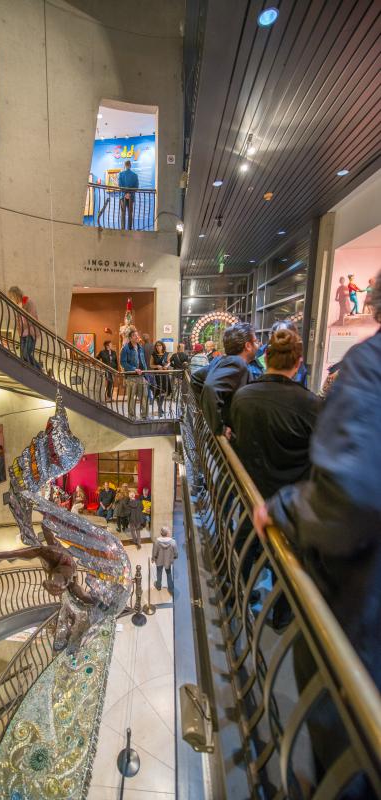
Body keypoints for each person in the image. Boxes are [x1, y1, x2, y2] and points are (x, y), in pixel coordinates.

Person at [254, 271, 381, 791]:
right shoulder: (313, 402)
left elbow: (347, 496)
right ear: (299, 361)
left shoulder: (369, 370)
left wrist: (284, 508)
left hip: (362, 611)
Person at [231, 329, 321, 629]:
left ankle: (236, 597)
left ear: (265, 357)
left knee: (243, 550)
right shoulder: (311, 405)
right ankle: (282, 618)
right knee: (290, 564)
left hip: (248, 494)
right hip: (289, 502)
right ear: (298, 364)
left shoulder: (244, 397)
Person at [201, 322, 258, 436]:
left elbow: (196, 378)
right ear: (248, 346)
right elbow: (210, 387)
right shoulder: (237, 363)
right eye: (256, 341)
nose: (258, 344)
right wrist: (218, 427)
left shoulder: (221, 360)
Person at [8, 285, 42, 370]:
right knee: (23, 356)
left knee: (26, 354)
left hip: (30, 332)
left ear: (16, 295)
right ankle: (30, 371)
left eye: (12, 297)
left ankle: (39, 370)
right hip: (23, 333)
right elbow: (19, 319)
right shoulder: (18, 305)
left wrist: (23, 327)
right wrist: (19, 330)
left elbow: (33, 317)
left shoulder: (28, 302)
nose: (11, 299)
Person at [120, 328, 149, 419]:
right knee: (131, 399)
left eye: (137, 335)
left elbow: (143, 361)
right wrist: (134, 369)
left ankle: (144, 416)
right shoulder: (125, 348)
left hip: (141, 376)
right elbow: (123, 362)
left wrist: (146, 374)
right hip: (131, 377)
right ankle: (131, 416)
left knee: (144, 397)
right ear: (130, 338)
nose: (137, 337)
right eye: (134, 335)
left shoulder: (140, 347)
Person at [152, 526, 178, 594]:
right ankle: (171, 589)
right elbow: (176, 553)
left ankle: (158, 586)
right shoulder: (173, 542)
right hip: (168, 561)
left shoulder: (157, 541)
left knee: (159, 573)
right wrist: (174, 557)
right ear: (167, 533)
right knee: (169, 574)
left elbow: (154, 552)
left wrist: (153, 558)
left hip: (159, 561)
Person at [149, 340, 171, 416]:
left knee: (163, 392)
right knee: (158, 392)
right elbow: (151, 365)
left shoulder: (166, 354)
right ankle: (159, 409)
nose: (158, 347)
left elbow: (169, 362)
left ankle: (160, 408)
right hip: (157, 376)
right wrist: (157, 366)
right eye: (157, 346)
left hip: (165, 375)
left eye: (160, 345)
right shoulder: (153, 355)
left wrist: (166, 366)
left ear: (162, 346)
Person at [118, 159, 139, 230]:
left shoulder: (121, 174)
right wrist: (129, 193)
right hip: (131, 196)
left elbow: (120, 185)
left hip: (122, 196)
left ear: (125, 165)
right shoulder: (135, 175)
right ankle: (129, 229)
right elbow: (136, 187)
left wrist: (125, 193)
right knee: (130, 213)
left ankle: (122, 228)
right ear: (130, 165)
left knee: (123, 213)